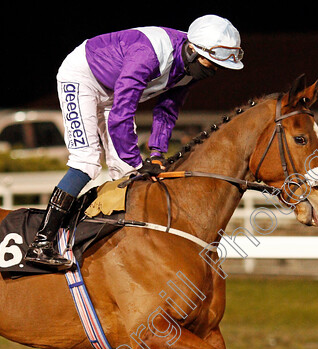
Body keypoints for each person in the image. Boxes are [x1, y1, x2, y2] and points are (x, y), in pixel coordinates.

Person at [24, 14, 245, 270]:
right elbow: (121, 113)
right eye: (212, 62)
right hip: (82, 77)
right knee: (86, 162)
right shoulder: (149, 54)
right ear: (194, 49)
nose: (214, 70)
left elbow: (166, 111)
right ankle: (41, 242)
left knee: (127, 175)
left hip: (113, 92)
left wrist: (156, 154)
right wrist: (137, 161)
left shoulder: (189, 68)